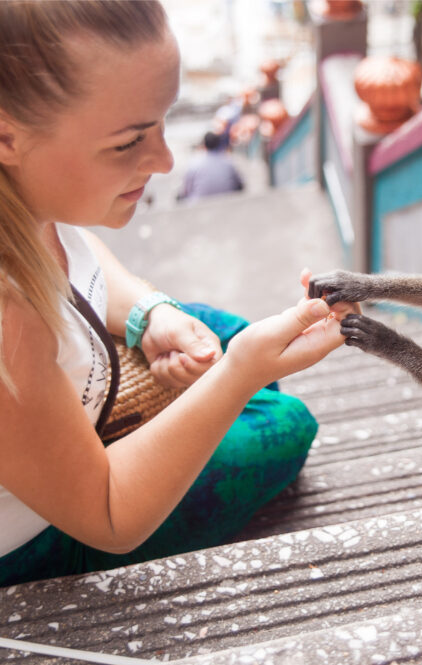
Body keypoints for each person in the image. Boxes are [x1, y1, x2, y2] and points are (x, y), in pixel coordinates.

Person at [0, 1, 355, 587]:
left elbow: (74, 247)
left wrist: (147, 312)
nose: (165, 161)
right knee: (286, 419)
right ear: (7, 135)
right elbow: (109, 514)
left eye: (162, 123)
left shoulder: (28, 190)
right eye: (126, 143)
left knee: (231, 337)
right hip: (47, 535)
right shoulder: (10, 321)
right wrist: (238, 373)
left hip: (78, 389)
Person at [177, 131, 245, 202]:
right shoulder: (228, 161)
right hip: (228, 201)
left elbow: (186, 190)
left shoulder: (194, 163)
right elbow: (240, 185)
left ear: (204, 145)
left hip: (199, 204)